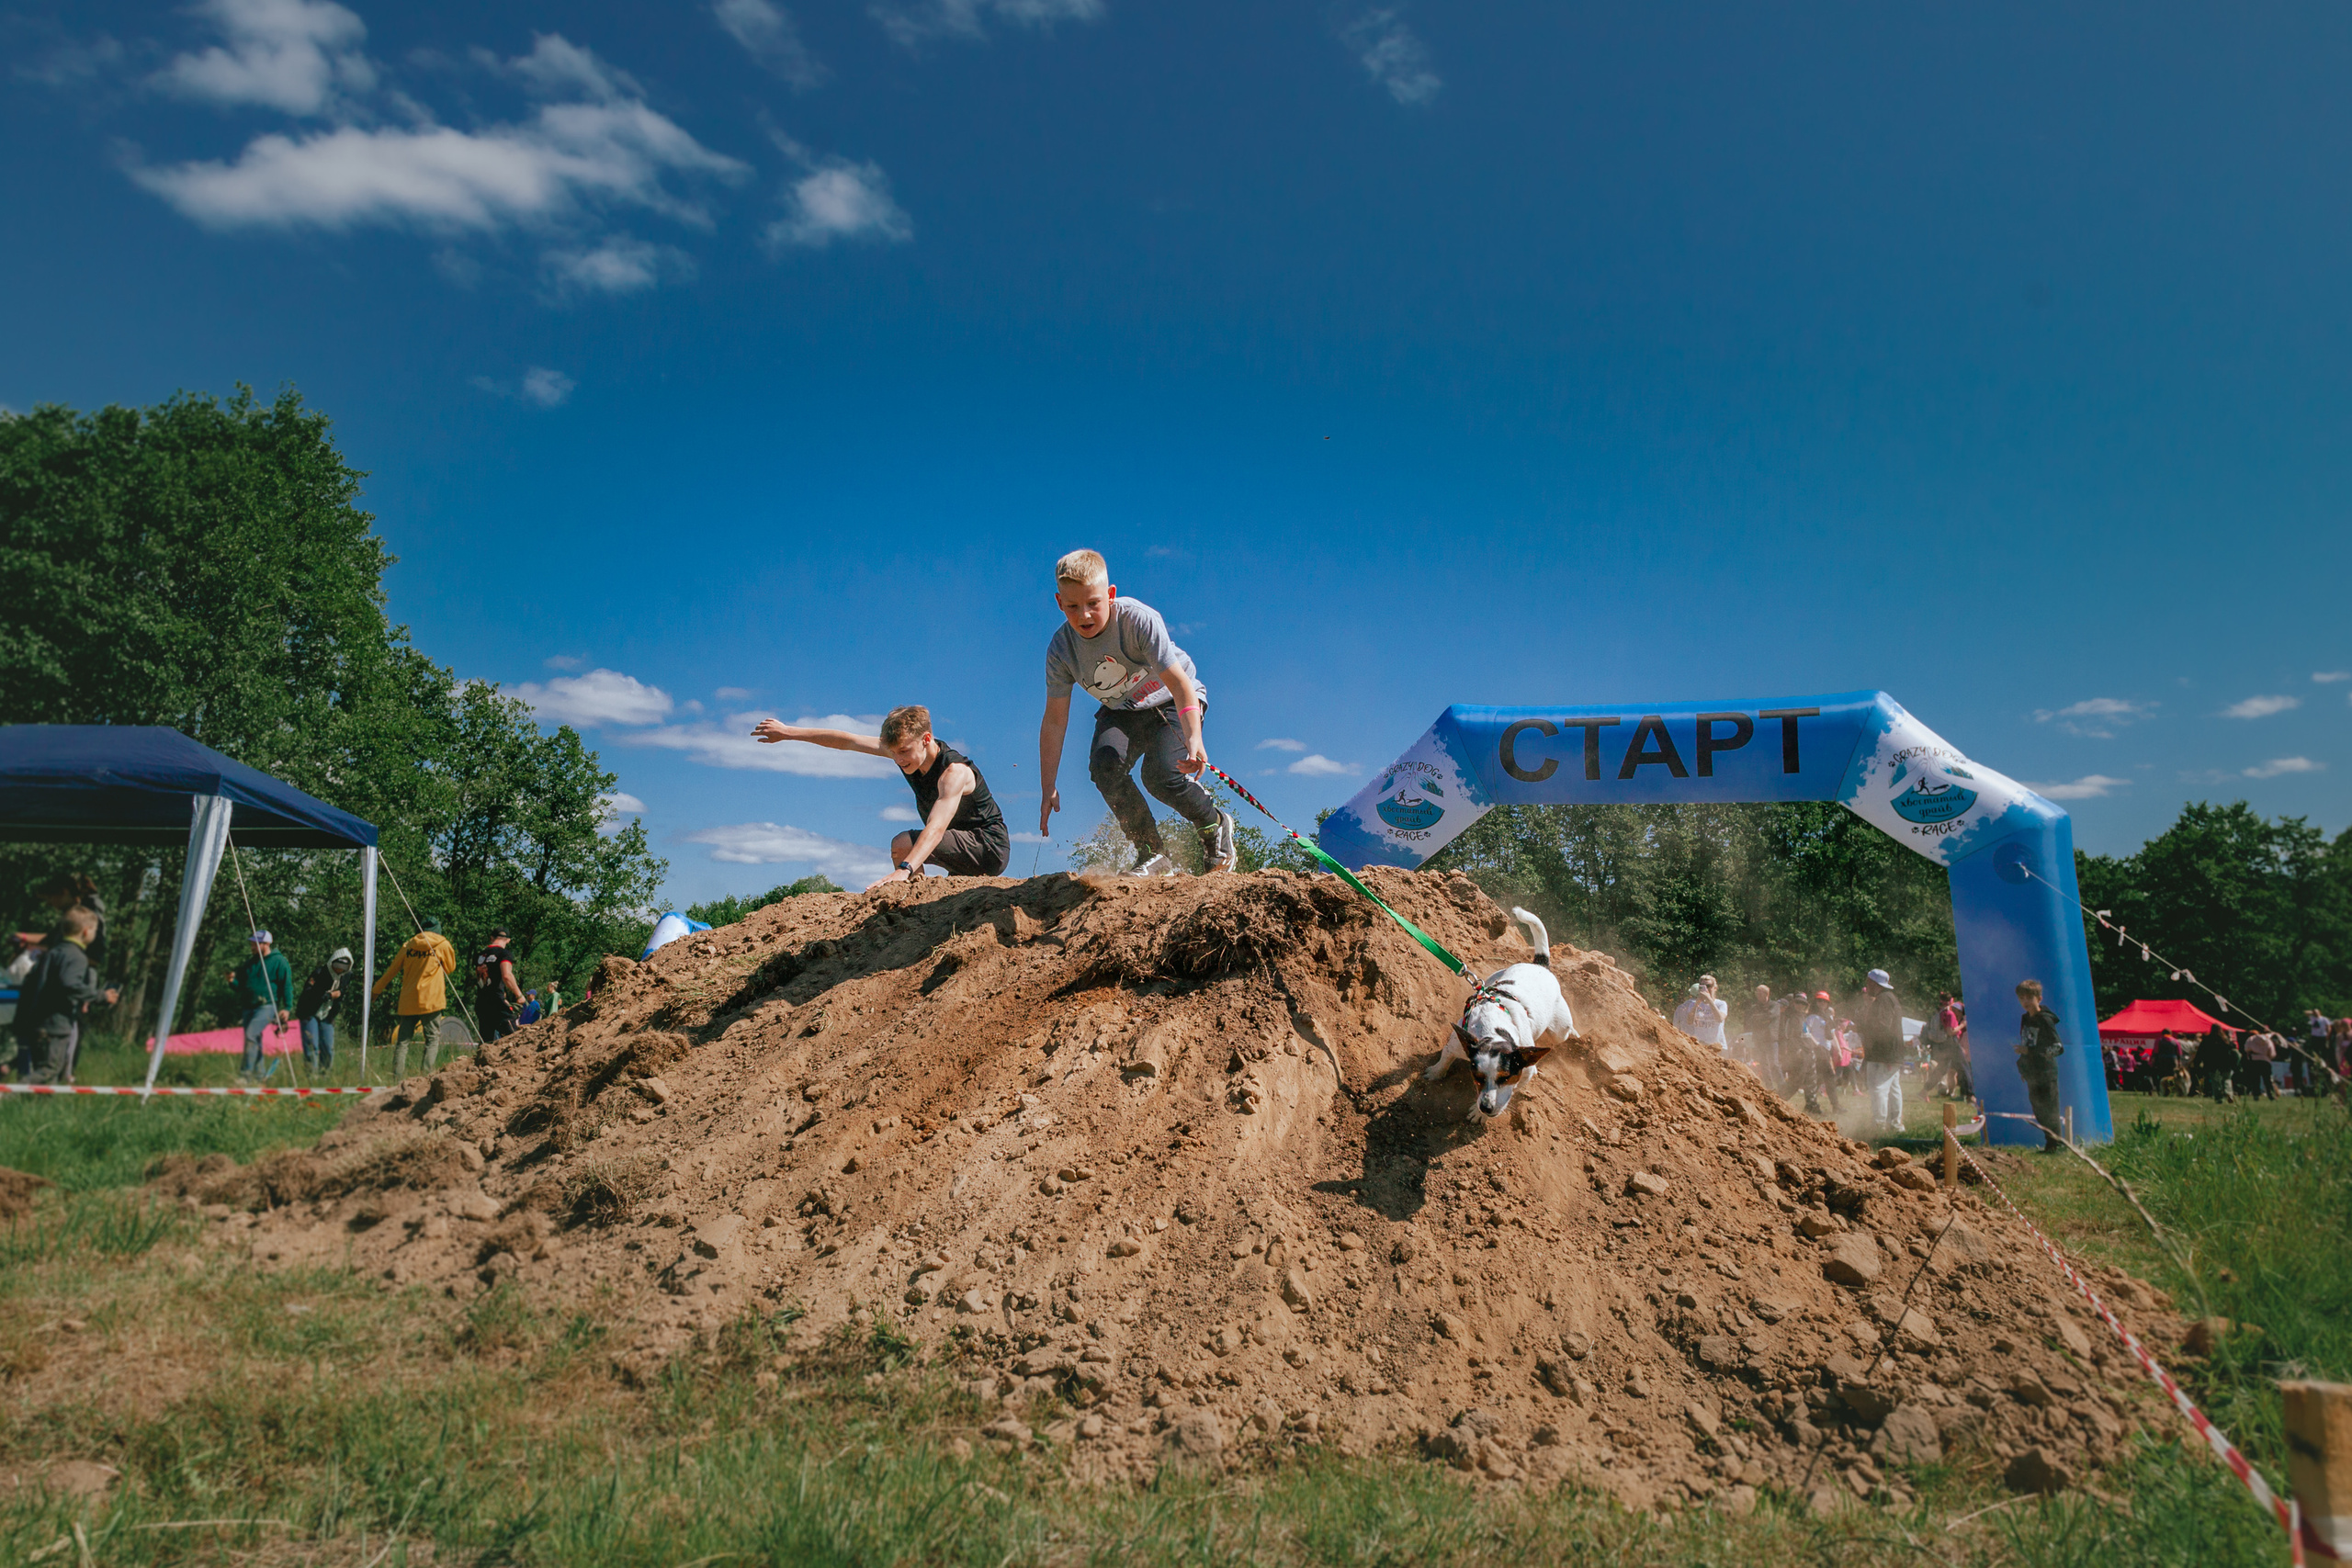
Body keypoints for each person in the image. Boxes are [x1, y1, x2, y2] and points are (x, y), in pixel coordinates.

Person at [1036, 548, 1236, 877]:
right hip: (1124, 709)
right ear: (1059, 602)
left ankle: (1213, 825)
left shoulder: (1137, 620)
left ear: (1110, 595)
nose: (1084, 615)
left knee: (1160, 776)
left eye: (1093, 603)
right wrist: (1048, 786)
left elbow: (1180, 685)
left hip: (1172, 701)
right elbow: (1055, 721)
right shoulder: (1061, 650)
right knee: (1105, 766)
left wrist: (1193, 737)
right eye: (1073, 607)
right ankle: (1152, 853)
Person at [752, 705, 1011, 883]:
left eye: (904, 752)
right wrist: (788, 732)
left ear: (926, 739)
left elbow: (936, 828)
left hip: (988, 848)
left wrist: (904, 869)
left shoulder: (954, 772)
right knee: (905, 848)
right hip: (959, 849)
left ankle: (913, 891)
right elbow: (847, 741)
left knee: (903, 844)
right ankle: (919, 906)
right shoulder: (906, 752)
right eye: (894, 753)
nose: (898, 760)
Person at [10, 908, 107, 1084]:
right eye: (95, 930)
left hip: (38, 1021)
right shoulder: (77, 957)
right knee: (49, 1069)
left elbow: (31, 981)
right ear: (86, 931)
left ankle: (38, 1100)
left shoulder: (51, 953)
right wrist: (100, 996)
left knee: (44, 1070)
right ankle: (8, 1093)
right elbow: (70, 984)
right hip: (56, 1025)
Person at [373, 917, 458, 1078]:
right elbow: (450, 968)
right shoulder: (443, 945)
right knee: (432, 1039)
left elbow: (392, 970)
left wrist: (376, 991)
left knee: (403, 1041)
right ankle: (426, 1076)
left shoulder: (408, 945)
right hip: (431, 1000)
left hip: (409, 1000)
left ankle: (396, 1077)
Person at [227, 930, 293, 1080]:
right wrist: (231, 981)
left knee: (251, 1035)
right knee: (254, 1039)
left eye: (255, 944)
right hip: (248, 1006)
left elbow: (287, 986)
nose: (252, 947)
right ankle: (259, 1075)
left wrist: (287, 1007)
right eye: (251, 944)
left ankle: (245, 1075)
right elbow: (241, 987)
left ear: (266, 944)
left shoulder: (279, 961)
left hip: (267, 1005)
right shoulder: (250, 963)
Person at [2014, 978, 2066, 1151]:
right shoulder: (2025, 1019)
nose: (2026, 1002)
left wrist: (2031, 1052)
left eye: (2029, 998)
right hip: (2032, 1073)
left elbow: (2058, 1047)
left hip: (2046, 1072)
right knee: (2038, 1110)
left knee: (2049, 1109)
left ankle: (2056, 1145)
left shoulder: (2045, 1020)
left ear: (2039, 998)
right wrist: (2024, 1067)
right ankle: (2050, 1142)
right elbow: (2026, 1043)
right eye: (2022, 998)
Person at [1856, 967, 1905, 1133]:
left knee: (1878, 1088)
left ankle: (1879, 1126)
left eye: (1868, 982)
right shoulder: (1890, 998)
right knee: (1893, 1089)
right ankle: (1896, 1125)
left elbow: (1882, 1025)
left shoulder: (1883, 1000)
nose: (1866, 986)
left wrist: (1862, 1027)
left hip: (1883, 1053)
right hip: (1891, 1052)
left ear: (1873, 983)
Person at [292, 947, 354, 1071]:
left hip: (328, 1014)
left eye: (344, 967)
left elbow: (343, 992)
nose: (340, 969)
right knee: (312, 1046)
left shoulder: (347, 976)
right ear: (332, 962)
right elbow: (308, 993)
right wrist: (328, 995)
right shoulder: (319, 973)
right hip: (309, 1012)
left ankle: (324, 1075)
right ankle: (311, 1076)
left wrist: (339, 994)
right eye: (338, 965)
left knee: (328, 1048)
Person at [471, 928, 529, 1043]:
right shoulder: (504, 954)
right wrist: (519, 995)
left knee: (486, 1042)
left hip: (481, 1002)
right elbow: (507, 976)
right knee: (514, 1038)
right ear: (508, 940)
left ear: (491, 938)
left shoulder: (479, 955)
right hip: (497, 1002)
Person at [1672, 976, 1728, 1052]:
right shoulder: (1693, 1004)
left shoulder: (1721, 1004)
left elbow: (1720, 1019)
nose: (1706, 989)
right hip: (1701, 1046)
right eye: (1702, 986)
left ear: (1715, 988)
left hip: (1718, 1046)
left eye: (1708, 986)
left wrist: (1710, 1000)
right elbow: (1689, 1021)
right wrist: (1696, 1004)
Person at [2192, 1026, 2235, 1103]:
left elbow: (2201, 1052)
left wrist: (2196, 1062)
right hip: (2225, 1063)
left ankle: (2218, 1098)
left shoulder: (2207, 1039)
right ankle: (2229, 1093)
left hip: (2212, 1063)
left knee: (2215, 1081)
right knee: (2227, 1079)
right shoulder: (2225, 1039)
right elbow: (2232, 1047)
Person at [2239, 1027, 2278, 1100]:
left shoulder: (2251, 1039)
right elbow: (2272, 1052)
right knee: (2267, 1079)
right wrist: (2268, 1057)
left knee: (2255, 1079)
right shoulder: (2267, 1040)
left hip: (2254, 1060)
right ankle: (2271, 1095)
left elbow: (2246, 1048)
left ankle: (2256, 1095)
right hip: (2265, 1060)